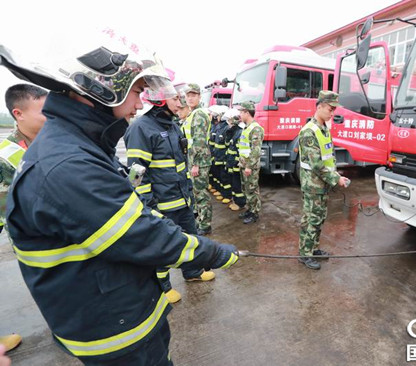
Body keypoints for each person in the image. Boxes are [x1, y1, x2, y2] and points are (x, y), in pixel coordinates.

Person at [0, 34, 238, 366]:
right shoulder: (67, 164)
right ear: (100, 91)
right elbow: (140, 235)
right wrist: (212, 252)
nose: (139, 104)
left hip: (120, 309)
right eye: (137, 92)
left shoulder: (77, 145)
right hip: (113, 332)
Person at [124, 84, 215, 305]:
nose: (180, 102)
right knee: (162, 247)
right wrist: (148, 205)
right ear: (159, 99)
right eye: (175, 98)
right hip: (161, 204)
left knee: (190, 238)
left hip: (182, 200)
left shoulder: (173, 126)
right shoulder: (142, 128)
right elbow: (136, 172)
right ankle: (162, 287)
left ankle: (192, 272)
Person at [0, 83, 48, 353]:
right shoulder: (6, 156)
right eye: (43, 112)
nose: (50, 117)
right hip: (32, 236)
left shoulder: (52, 139)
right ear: (18, 114)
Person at [297, 91, 349, 270]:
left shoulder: (323, 128)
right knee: (311, 219)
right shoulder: (308, 132)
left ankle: (314, 248)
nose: (332, 113)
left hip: (322, 183)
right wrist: (336, 179)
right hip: (313, 184)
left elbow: (328, 157)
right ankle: (305, 254)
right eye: (330, 109)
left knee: (319, 218)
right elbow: (317, 164)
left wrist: (334, 176)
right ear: (319, 107)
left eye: (334, 109)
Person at [182, 84, 213, 235]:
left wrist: (195, 164)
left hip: (199, 161)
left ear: (200, 97)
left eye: (193, 95)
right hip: (194, 158)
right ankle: (201, 219)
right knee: (196, 193)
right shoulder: (192, 114)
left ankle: (205, 224)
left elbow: (199, 141)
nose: (190, 98)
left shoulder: (199, 114)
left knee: (201, 193)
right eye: (188, 95)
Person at [237, 101, 264, 224]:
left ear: (247, 113)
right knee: (246, 189)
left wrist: (249, 166)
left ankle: (255, 213)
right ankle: (250, 209)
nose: (240, 115)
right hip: (243, 164)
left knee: (252, 189)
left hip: (250, 166)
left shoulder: (256, 128)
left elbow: (256, 150)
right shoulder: (246, 128)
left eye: (241, 112)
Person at [224, 111, 246, 211]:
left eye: (230, 122)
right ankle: (236, 201)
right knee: (233, 183)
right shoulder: (233, 132)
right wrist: (228, 133)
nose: (229, 124)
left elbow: (239, 151)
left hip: (236, 164)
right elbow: (228, 144)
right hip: (231, 162)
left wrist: (235, 164)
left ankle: (240, 203)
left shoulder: (240, 132)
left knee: (237, 185)